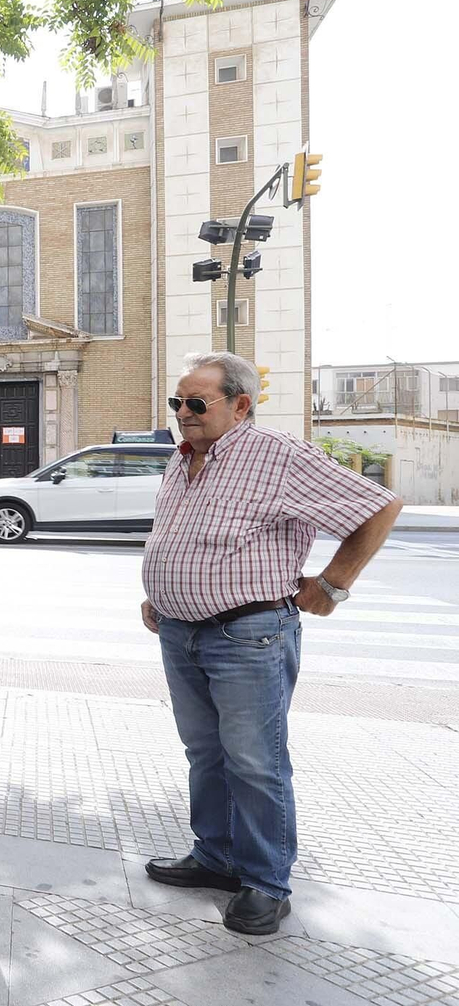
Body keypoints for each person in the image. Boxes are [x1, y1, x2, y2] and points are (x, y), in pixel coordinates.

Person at [141, 352, 402, 935]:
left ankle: (266, 883)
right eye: (177, 402)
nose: (183, 413)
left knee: (256, 763)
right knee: (204, 753)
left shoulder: (278, 454)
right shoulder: (183, 459)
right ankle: (215, 856)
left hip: (248, 636)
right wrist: (160, 594)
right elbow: (178, 537)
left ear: (239, 404)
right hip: (181, 632)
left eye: (196, 402)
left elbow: (380, 507)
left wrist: (333, 585)